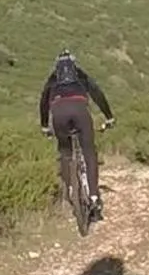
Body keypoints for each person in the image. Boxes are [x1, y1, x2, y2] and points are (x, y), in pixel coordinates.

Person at [39, 50, 114, 214]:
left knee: (65, 152)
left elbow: (44, 101)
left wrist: (44, 125)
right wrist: (109, 117)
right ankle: (94, 196)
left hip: (58, 112)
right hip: (80, 109)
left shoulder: (52, 79)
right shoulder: (81, 76)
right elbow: (97, 94)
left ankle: (70, 191)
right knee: (88, 150)